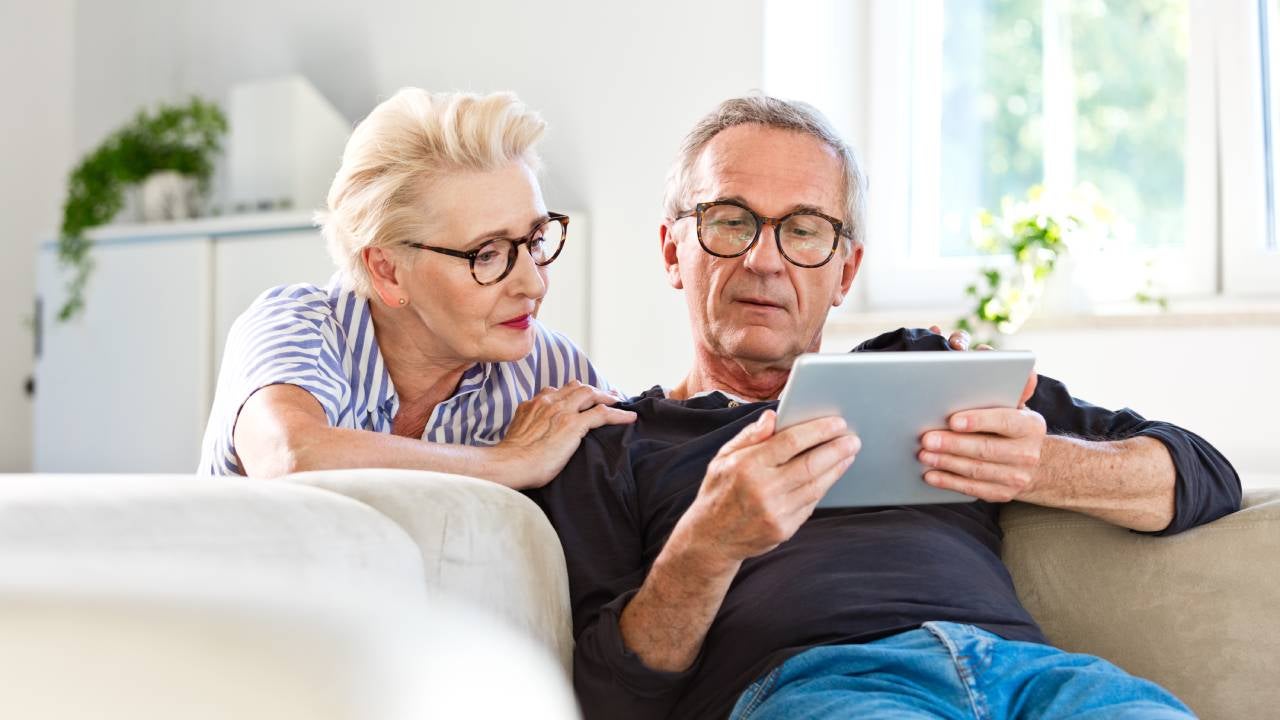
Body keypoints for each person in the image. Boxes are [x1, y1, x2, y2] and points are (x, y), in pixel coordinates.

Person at [528, 96, 1240, 719]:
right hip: (819, 685)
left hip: (1032, 677)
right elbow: (610, 697)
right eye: (730, 220)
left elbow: (1206, 476)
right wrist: (707, 546)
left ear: (846, 271)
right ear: (672, 251)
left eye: (804, 229)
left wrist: (1043, 465)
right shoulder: (612, 443)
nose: (765, 261)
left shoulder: (927, 368)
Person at [197, 88, 634, 485]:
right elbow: (291, 456)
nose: (533, 283)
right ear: (387, 270)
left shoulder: (551, 370)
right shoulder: (296, 327)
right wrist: (508, 463)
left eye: (536, 241)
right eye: (486, 254)